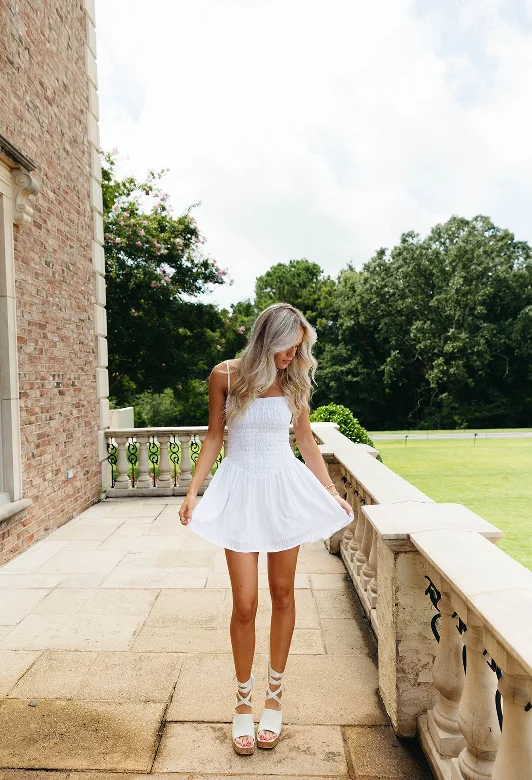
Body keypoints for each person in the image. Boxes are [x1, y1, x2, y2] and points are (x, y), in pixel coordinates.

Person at [178, 302, 354, 754]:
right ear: (267, 339)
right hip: (238, 491)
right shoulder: (226, 376)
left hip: (282, 493)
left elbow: (306, 443)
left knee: (283, 594)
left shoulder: (294, 382)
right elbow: (215, 436)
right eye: (287, 348)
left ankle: (273, 698)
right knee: (244, 603)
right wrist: (194, 491)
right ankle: (242, 702)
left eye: (298, 349)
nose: (292, 357)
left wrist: (331, 491)